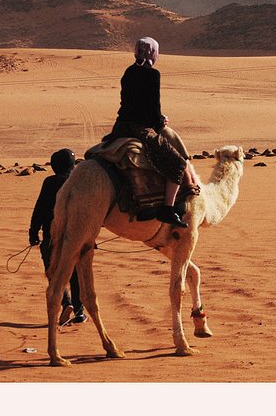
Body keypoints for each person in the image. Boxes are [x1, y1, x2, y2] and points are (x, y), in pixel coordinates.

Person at [102, 37, 190, 228]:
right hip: (139, 128)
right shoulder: (152, 75)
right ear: (153, 53)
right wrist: (161, 121)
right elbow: (152, 110)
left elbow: (129, 104)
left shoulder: (128, 72)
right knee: (177, 164)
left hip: (120, 127)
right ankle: (167, 208)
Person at [28, 148, 86, 325]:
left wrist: (33, 233)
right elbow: (87, 213)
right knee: (76, 275)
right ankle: (79, 311)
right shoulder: (78, 183)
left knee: (54, 273)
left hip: (51, 238)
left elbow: (39, 209)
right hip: (77, 238)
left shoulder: (49, 182)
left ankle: (65, 301)